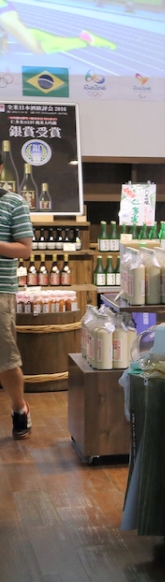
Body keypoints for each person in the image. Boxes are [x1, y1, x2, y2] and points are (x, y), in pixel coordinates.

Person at [0, 187, 32, 438]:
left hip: (1, 291)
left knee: (6, 360)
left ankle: (19, 408)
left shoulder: (13, 203)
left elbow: (24, 249)